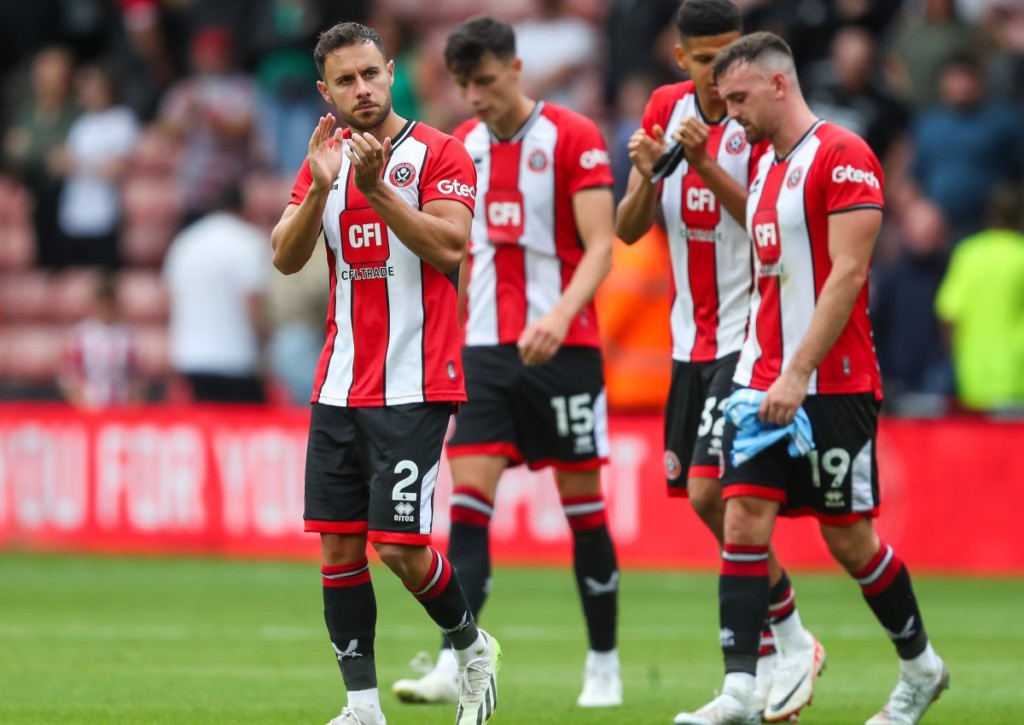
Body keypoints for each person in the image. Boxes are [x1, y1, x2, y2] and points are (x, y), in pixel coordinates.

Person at [674, 32, 949, 725]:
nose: (731, 113)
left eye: (739, 98)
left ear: (779, 84)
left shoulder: (843, 154)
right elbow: (766, 244)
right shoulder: (767, 167)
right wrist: (704, 167)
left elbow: (849, 273)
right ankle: (742, 690)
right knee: (740, 516)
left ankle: (921, 667)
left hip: (833, 383)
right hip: (759, 377)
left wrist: (799, 370)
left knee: (848, 539)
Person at [270, 22, 500, 725]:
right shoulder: (323, 160)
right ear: (326, 91)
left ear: (391, 72)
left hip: (416, 378)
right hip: (339, 381)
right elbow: (284, 256)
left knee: (399, 547)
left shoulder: (440, 152)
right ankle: (362, 706)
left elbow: (452, 245)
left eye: (371, 74)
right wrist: (320, 190)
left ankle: (472, 648)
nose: (362, 89)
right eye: (346, 80)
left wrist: (379, 193)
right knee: (339, 544)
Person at [391, 15, 621, 709]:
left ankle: (603, 662)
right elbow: (454, 256)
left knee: (583, 508)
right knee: (468, 506)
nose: (475, 96)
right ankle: (454, 660)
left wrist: (560, 315)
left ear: (516, 69)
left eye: (486, 81)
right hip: (484, 350)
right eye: (464, 85)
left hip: (565, 346)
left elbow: (602, 246)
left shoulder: (573, 136)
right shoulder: (461, 145)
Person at [616, 2, 820, 721]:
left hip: (748, 338)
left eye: (731, 55)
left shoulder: (752, 120)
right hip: (687, 343)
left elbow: (767, 227)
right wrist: (647, 175)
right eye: (706, 59)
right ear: (681, 59)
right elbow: (628, 229)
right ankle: (782, 648)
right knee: (709, 500)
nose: (719, 71)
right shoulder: (665, 109)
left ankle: (763, 662)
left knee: (714, 497)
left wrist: (703, 161)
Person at [163, 183, 269, 404]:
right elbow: (252, 301)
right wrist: (265, 345)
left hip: (191, 356)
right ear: (242, 208)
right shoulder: (249, 241)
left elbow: (170, 296)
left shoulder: (186, 241)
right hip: (237, 357)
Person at [935, 184, 1024, 411]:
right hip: (1017, 372)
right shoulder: (1020, 255)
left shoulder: (969, 253)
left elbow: (948, 314)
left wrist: (956, 358)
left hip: (973, 373)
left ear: (989, 216)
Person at [58, 273, 141, 408]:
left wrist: (132, 405)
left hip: (120, 407)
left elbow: (137, 376)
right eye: (102, 304)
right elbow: (67, 375)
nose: (106, 309)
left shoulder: (127, 335)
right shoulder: (80, 335)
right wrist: (80, 403)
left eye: (110, 304)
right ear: (94, 305)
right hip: (90, 407)